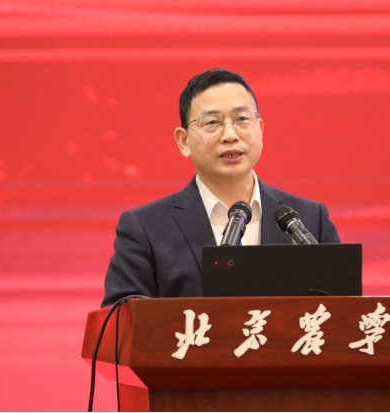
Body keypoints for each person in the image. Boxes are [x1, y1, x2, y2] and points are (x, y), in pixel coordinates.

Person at [101, 68, 341, 307]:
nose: (230, 135)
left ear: (260, 130)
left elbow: (347, 314)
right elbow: (119, 319)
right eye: (212, 122)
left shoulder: (311, 219)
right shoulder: (146, 228)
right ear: (184, 141)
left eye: (242, 119)